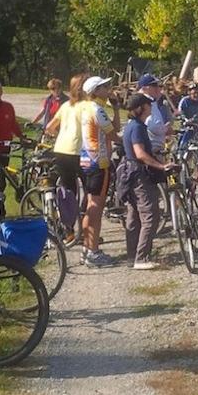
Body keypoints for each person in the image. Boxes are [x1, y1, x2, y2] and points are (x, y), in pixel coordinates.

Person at [122, 93, 175, 270]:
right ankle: (142, 258)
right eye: (148, 105)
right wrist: (161, 166)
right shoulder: (137, 127)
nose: (152, 107)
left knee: (134, 216)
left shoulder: (133, 125)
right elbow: (140, 153)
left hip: (130, 172)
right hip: (139, 173)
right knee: (150, 215)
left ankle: (132, 256)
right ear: (141, 108)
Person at [78, 75, 121, 267]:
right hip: (99, 163)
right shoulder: (97, 109)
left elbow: (113, 128)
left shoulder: (85, 107)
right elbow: (113, 134)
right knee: (96, 209)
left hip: (86, 160)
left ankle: (87, 249)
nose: (108, 88)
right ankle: (93, 253)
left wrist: (117, 109)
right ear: (95, 91)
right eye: (104, 86)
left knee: (90, 205)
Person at [44, 73, 87, 245]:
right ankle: (85, 226)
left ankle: (69, 231)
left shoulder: (66, 105)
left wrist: (61, 135)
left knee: (68, 192)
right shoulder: (87, 106)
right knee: (91, 191)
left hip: (61, 149)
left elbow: (49, 127)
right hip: (79, 151)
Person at [137, 73, 173, 156]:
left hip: (153, 148)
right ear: (145, 88)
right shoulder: (147, 102)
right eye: (154, 85)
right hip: (152, 149)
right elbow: (153, 126)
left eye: (158, 85)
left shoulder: (151, 101)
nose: (158, 88)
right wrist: (166, 129)